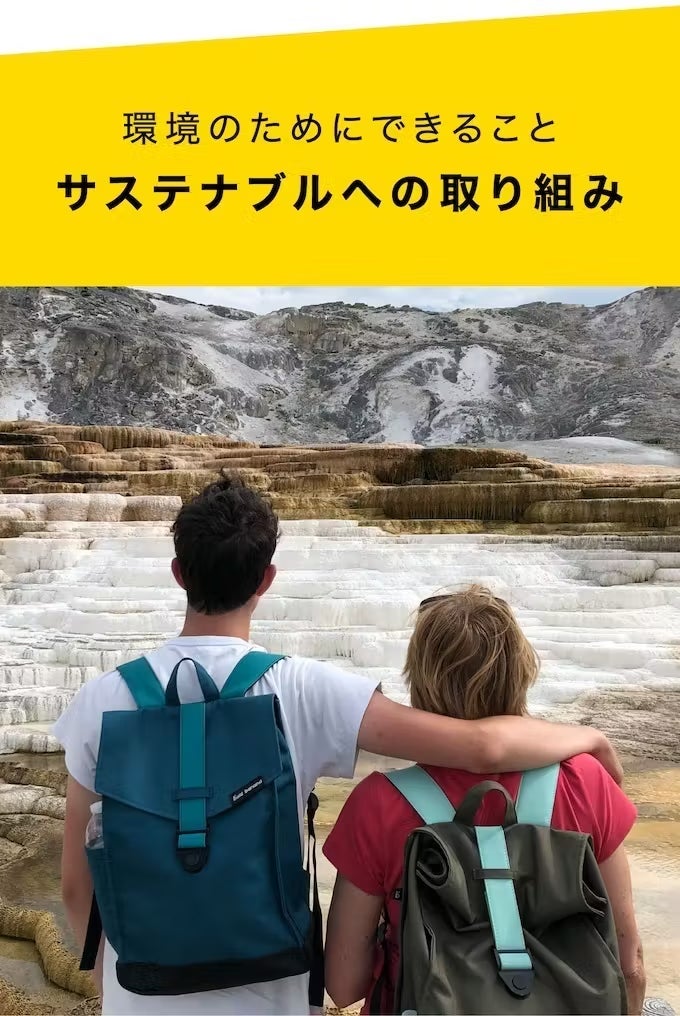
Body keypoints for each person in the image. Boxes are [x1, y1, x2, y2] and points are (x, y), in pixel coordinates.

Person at [55, 481, 623, 1016]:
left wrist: (118, 990)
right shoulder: (304, 690)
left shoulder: (98, 702)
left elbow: (76, 885)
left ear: (179, 574)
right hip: (273, 991)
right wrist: (591, 739)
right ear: (266, 580)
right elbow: (481, 748)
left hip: (141, 992)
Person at [323, 585, 646, 1016]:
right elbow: (629, 965)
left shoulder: (378, 803)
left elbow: (344, 984)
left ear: (420, 678)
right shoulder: (586, 781)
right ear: (521, 671)